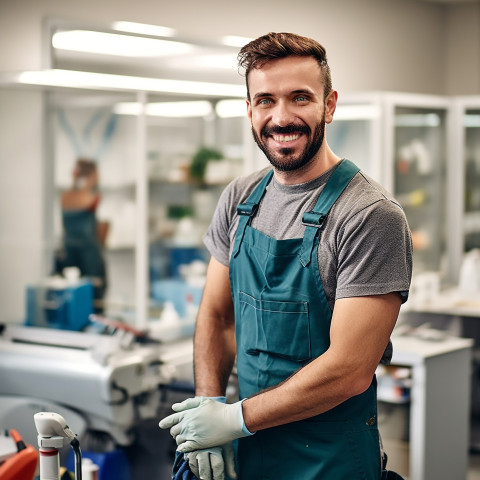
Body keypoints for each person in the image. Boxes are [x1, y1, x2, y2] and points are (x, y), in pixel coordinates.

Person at [160, 32, 412, 480]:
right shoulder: (240, 198)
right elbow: (217, 316)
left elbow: (349, 370)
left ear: (329, 105)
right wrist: (208, 405)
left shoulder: (369, 215)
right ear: (250, 109)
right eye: (265, 100)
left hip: (329, 461)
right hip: (250, 451)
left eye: (300, 98)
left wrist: (234, 419)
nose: (282, 117)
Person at [55, 158, 108, 313]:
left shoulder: (65, 197)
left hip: (69, 251)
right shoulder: (92, 197)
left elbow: (64, 225)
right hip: (89, 255)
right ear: (90, 176)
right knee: (94, 294)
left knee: (72, 295)